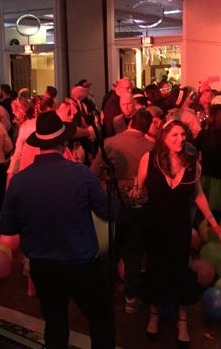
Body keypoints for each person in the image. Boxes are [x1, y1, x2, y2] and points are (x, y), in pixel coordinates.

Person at [0, 111, 114, 349]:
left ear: (39, 145)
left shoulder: (19, 181)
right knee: (100, 320)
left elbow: (7, 227)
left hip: (42, 266)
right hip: (80, 263)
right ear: (64, 142)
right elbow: (107, 213)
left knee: (55, 323)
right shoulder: (81, 174)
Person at [134, 119, 221, 346]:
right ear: (163, 137)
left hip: (179, 227)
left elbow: (198, 194)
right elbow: (138, 188)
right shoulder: (149, 159)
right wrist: (134, 195)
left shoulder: (192, 162)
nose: (180, 139)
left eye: (183, 135)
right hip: (155, 226)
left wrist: (214, 223)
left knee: (180, 271)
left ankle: (182, 322)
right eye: (174, 135)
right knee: (156, 269)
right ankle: (153, 316)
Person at [90, 109, 154, 314]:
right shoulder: (151, 147)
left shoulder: (110, 143)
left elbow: (93, 173)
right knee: (133, 251)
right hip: (139, 204)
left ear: (131, 121)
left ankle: (104, 292)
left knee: (110, 248)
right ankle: (130, 297)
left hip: (112, 202)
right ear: (148, 127)